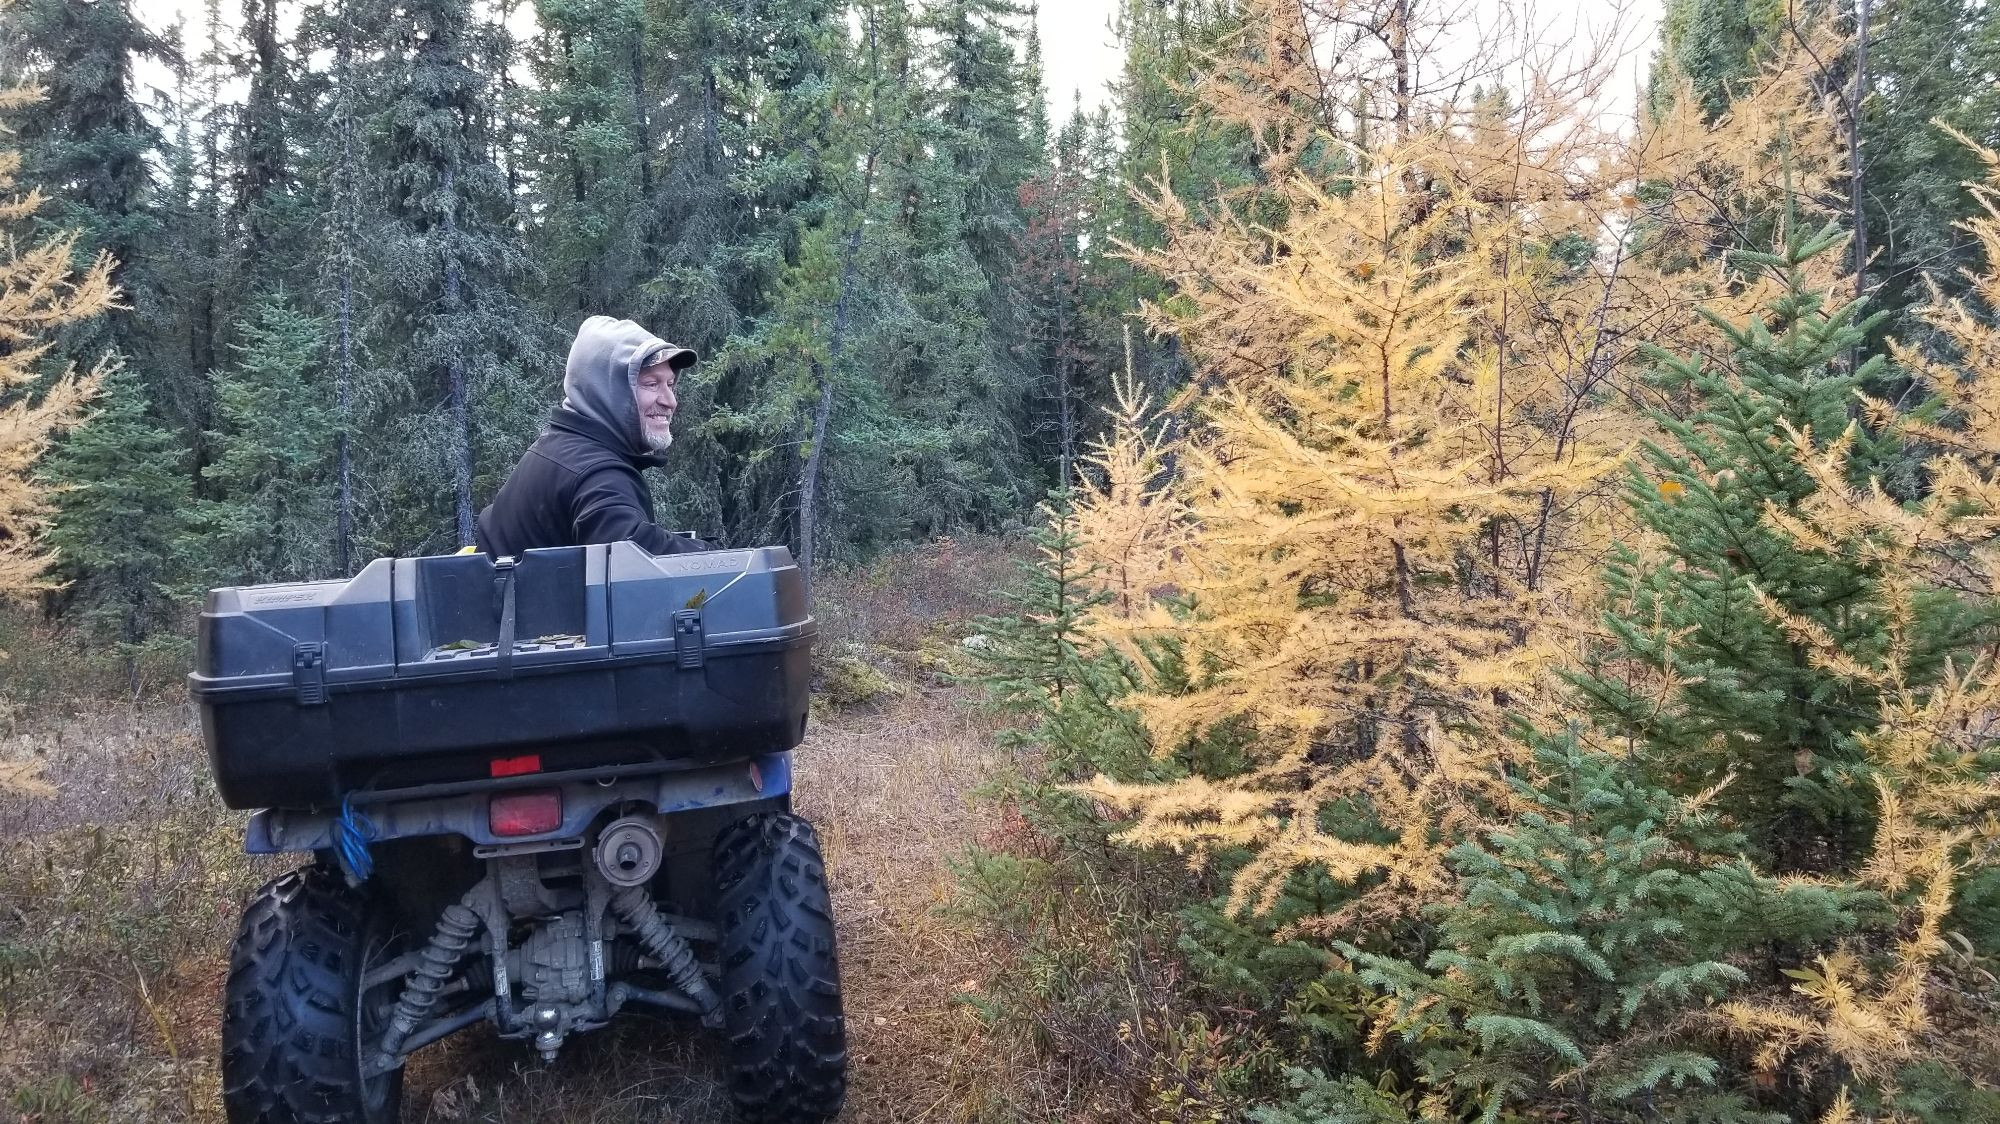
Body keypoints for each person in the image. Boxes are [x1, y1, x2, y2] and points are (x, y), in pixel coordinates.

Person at [475, 316, 714, 557]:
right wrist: (718, 557)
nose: (670, 401)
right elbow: (631, 552)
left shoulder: (560, 447)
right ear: (606, 391)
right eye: (651, 384)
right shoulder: (597, 473)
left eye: (670, 384)